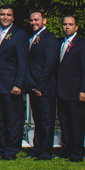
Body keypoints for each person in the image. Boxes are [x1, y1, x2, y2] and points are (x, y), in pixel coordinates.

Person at [0, 5, 28, 161]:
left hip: (11, 85)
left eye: (8, 15)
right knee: (0, 119)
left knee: (13, 120)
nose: (5, 17)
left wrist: (18, 84)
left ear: (13, 17)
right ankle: (2, 146)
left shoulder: (20, 35)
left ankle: (12, 150)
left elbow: (22, 63)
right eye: (2, 14)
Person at [56, 15, 85, 162]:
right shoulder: (59, 43)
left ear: (76, 27)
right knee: (64, 122)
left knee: (76, 123)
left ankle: (77, 151)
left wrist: (84, 90)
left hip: (76, 91)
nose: (67, 27)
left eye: (70, 24)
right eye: (65, 24)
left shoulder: (83, 44)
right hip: (61, 91)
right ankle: (67, 148)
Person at [25, 10, 58, 160]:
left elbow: (49, 64)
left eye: (37, 20)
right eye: (31, 20)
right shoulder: (33, 38)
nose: (34, 23)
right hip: (34, 87)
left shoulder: (49, 39)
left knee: (46, 121)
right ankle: (36, 148)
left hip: (45, 88)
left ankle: (45, 151)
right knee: (37, 120)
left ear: (44, 21)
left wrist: (40, 86)